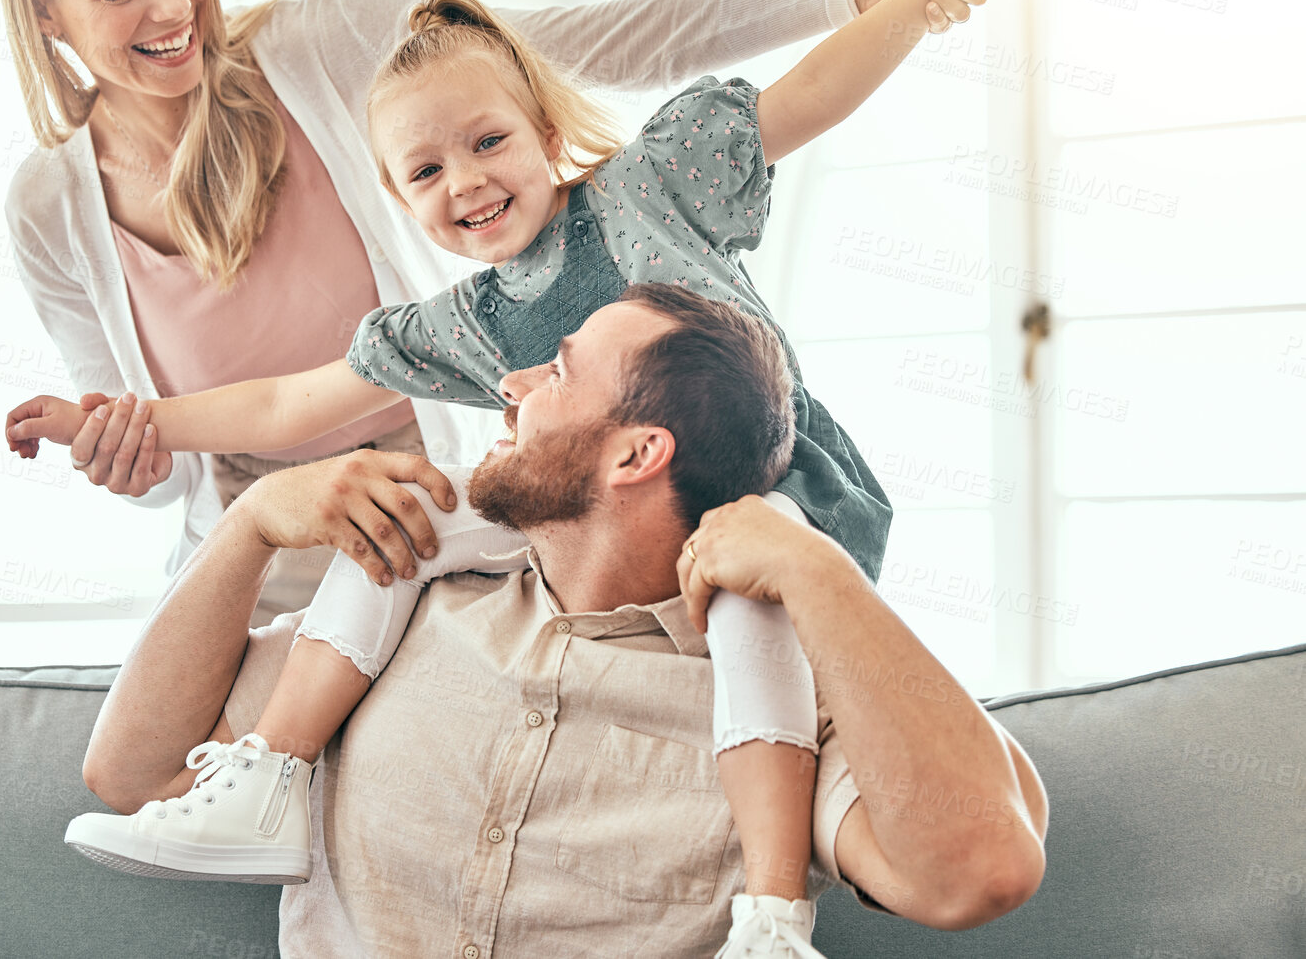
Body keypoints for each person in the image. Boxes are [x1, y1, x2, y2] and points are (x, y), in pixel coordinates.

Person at [11, 0, 1044, 954]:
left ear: (548, 135)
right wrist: (158, 437)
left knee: (752, 629)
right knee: (405, 517)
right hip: (572, 534)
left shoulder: (650, 191)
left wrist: (909, 1)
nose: (462, 182)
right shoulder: (473, 329)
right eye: (423, 173)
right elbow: (287, 407)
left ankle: (769, 915)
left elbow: (798, 102)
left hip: (768, 491)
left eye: (489, 142)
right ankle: (270, 774)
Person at [0, 0, 1062, 617]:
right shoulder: (52, 211)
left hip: (450, 503)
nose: (175, 5)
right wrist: (130, 450)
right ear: (44, 14)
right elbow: (244, 422)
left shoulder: (339, 54)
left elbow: (606, 48)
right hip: (277, 548)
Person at [70, 291, 1050, 957]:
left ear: (636, 455)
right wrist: (245, 527)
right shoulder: (402, 608)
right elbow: (134, 773)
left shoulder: (784, 709)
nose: (512, 387)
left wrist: (820, 572)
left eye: (558, 372)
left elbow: (980, 871)